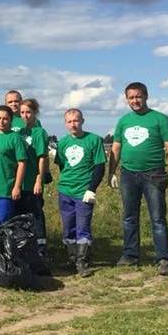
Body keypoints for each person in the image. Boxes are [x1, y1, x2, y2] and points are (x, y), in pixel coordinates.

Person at [109, 82, 168, 276]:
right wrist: (111, 173)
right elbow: (115, 148)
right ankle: (130, 255)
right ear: (126, 99)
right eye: (131, 98)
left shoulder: (159, 119)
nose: (135, 101)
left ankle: (163, 258)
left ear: (146, 96)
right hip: (128, 175)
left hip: (153, 174)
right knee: (129, 217)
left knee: (157, 218)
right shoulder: (123, 121)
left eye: (138, 97)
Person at [54, 108, 105, 278]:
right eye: (69, 121)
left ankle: (82, 261)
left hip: (83, 192)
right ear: (65, 124)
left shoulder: (94, 140)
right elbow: (62, 165)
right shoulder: (62, 143)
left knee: (83, 227)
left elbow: (99, 166)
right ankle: (71, 258)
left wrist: (91, 188)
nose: (73, 124)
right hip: (65, 190)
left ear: (82, 121)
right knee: (68, 226)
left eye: (76, 120)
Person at [18, 98, 49, 258]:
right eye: (22, 112)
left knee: (36, 213)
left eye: (28, 112)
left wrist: (39, 179)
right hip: (20, 182)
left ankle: (41, 247)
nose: (25, 116)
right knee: (22, 215)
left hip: (33, 180)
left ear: (35, 113)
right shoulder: (19, 133)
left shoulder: (39, 132)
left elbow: (42, 158)